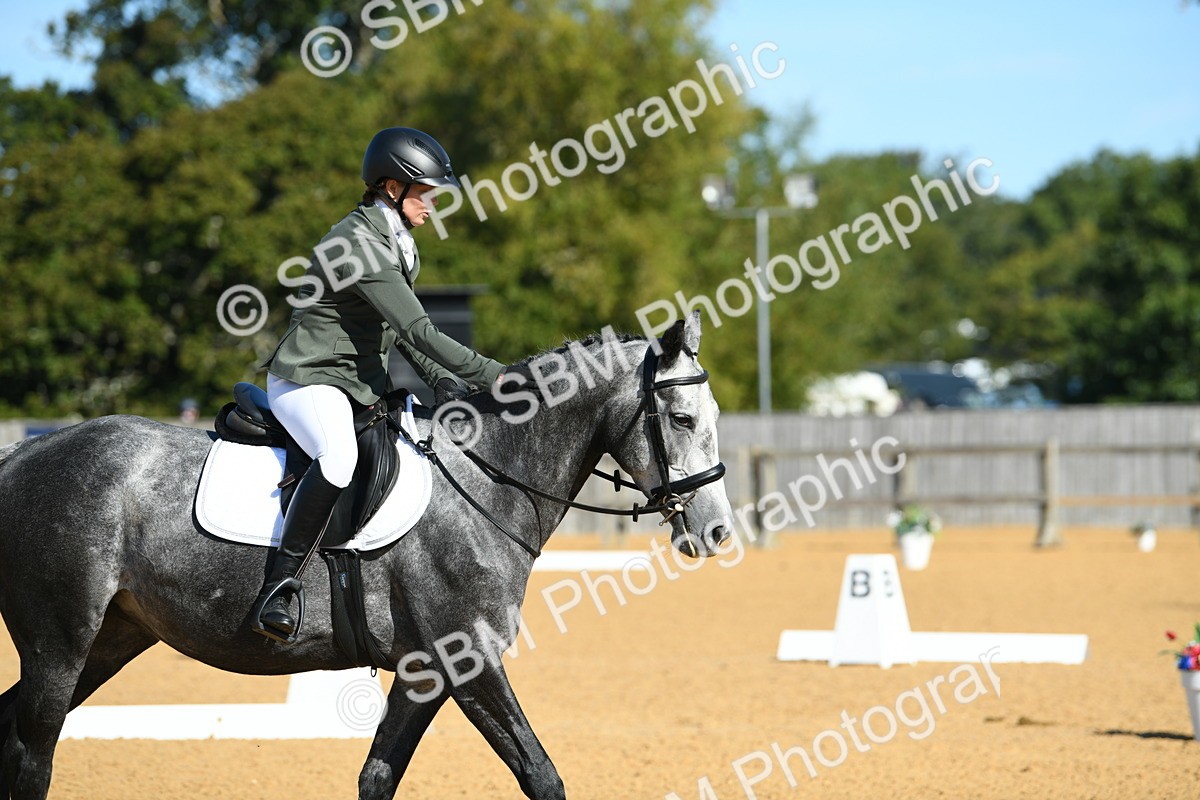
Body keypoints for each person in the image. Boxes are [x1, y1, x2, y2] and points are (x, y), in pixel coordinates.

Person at [250, 127, 505, 642]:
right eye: (426, 192)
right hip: (310, 378)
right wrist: (498, 376)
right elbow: (419, 330)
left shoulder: (398, 241)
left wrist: (443, 382)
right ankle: (279, 586)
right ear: (393, 188)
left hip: (357, 384)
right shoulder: (357, 243)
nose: (435, 204)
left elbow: (397, 329)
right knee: (338, 458)